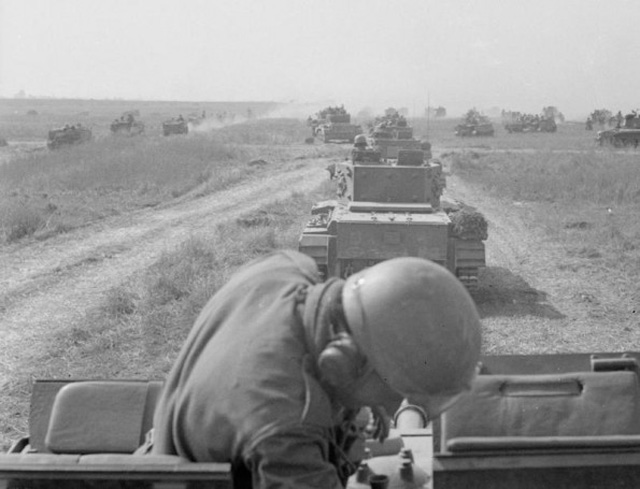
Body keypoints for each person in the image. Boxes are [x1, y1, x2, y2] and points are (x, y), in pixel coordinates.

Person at [152, 250, 482, 489]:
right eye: (396, 394)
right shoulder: (285, 429)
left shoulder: (284, 268)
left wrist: (366, 397)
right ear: (344, 365)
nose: (396, 405)